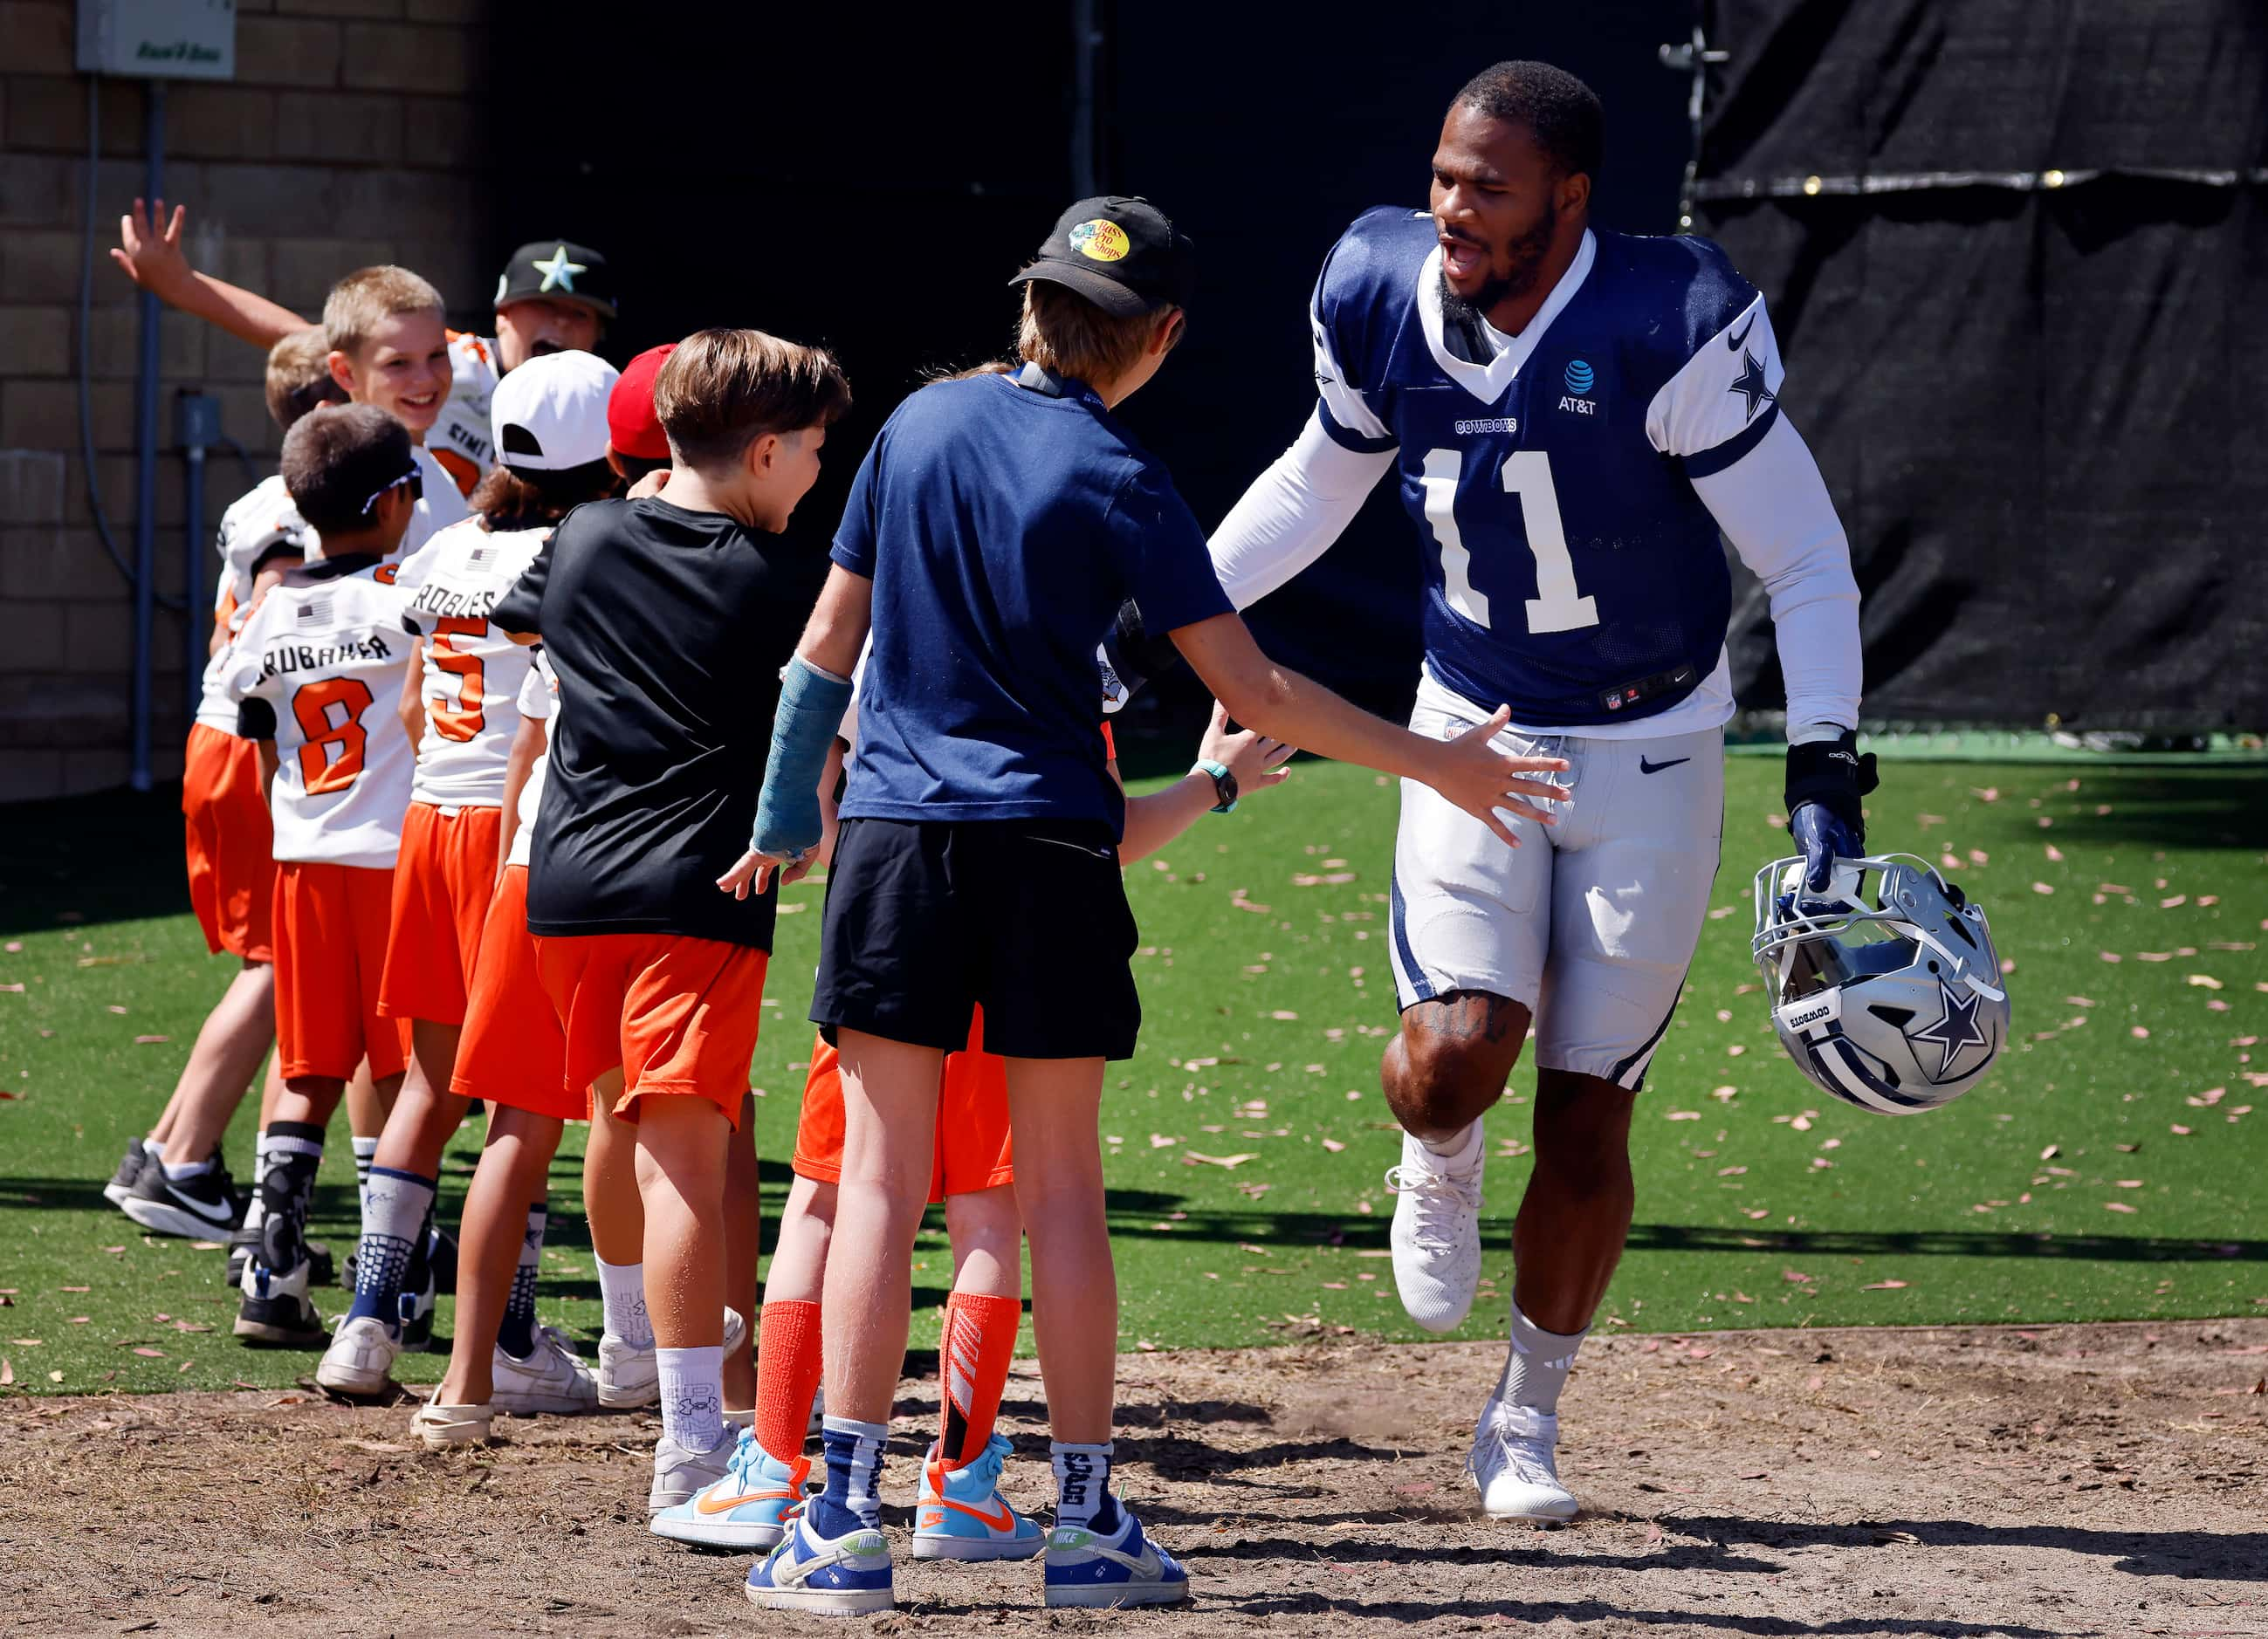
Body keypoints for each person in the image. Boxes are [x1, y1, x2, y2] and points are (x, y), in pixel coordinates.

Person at [730, 195, 1564, 1615]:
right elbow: (1257, 694)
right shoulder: (1126, 475)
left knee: (870, 1180)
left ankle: (835, 1522)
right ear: (1160, 338)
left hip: (893, 844)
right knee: (1054, 1189)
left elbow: (821, 650)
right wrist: (1441, 764)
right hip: (1052, 844)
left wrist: (773, 823)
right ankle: (1092, 1521)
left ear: (1028, 304)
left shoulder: (916, 429)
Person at [1203, 61, 1869, 1521]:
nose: (1448, 205)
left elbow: (1804, 560)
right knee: (1454, 1055)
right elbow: (1321, 480)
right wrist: (1170, 603)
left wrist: (1826, 770)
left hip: (1654, 745)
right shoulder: (1378, 285)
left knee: (1586, 1115)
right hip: (1473, 731)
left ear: (1567, 197)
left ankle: (1523, 1416)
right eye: (1441, 173)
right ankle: (1432, 1148)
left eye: (1485, 183)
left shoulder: (1667, 319)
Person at [652, 697, 1293, 1556]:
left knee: (827, 1203)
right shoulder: (1059, 627)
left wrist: (804, 832)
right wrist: (1215, 781)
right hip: (1012, 935)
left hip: (887, 922)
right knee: (989, 1211)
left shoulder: (886, 596)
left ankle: (775, 1472)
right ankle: (956, 1489)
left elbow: (813, 778)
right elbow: (1108, 833)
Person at [489, 327, 851, 1512]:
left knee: (621, 1125)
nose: (814, 472)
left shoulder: (585, 532)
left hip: (566, 889)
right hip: (700, 891)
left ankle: (645, 1352)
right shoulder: (782, 574)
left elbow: (521, 617)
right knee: (691, 1160)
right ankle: (692, 1447)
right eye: (806, 450)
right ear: (757, 450)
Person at [315, 352, 623, 1399]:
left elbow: (408, 704)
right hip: (511, 835)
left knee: (431, 1085)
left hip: (430, 826)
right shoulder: (588, 549)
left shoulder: (448, 541)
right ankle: (510, 1342)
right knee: (524, 1100)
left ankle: (364, 1324)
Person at [109, 328, 339, 1241]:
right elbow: (274, 628)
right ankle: (185, 1157)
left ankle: (172, 1148)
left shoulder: (261, 498)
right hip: (257, 742)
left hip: (231, 737)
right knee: (285, 964)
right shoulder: (299, 512)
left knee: (276, 962)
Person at [217, 404, 425, 1347]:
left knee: (305, 1068)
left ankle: (273, 1272)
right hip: (392, 862)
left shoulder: (271, 609)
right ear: (391, 504)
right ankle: (400, 1279)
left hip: (303, 860)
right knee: (396, 1066)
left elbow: (253, 737)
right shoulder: (408, 596)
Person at [110, 201, 616, 495]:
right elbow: (304, 339)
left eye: (579, 314)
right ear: (502, 314)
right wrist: (183, 287)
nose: (558, 323)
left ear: (598, 335)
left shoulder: (605, 406)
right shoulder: (446, 362)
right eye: (541, 306)